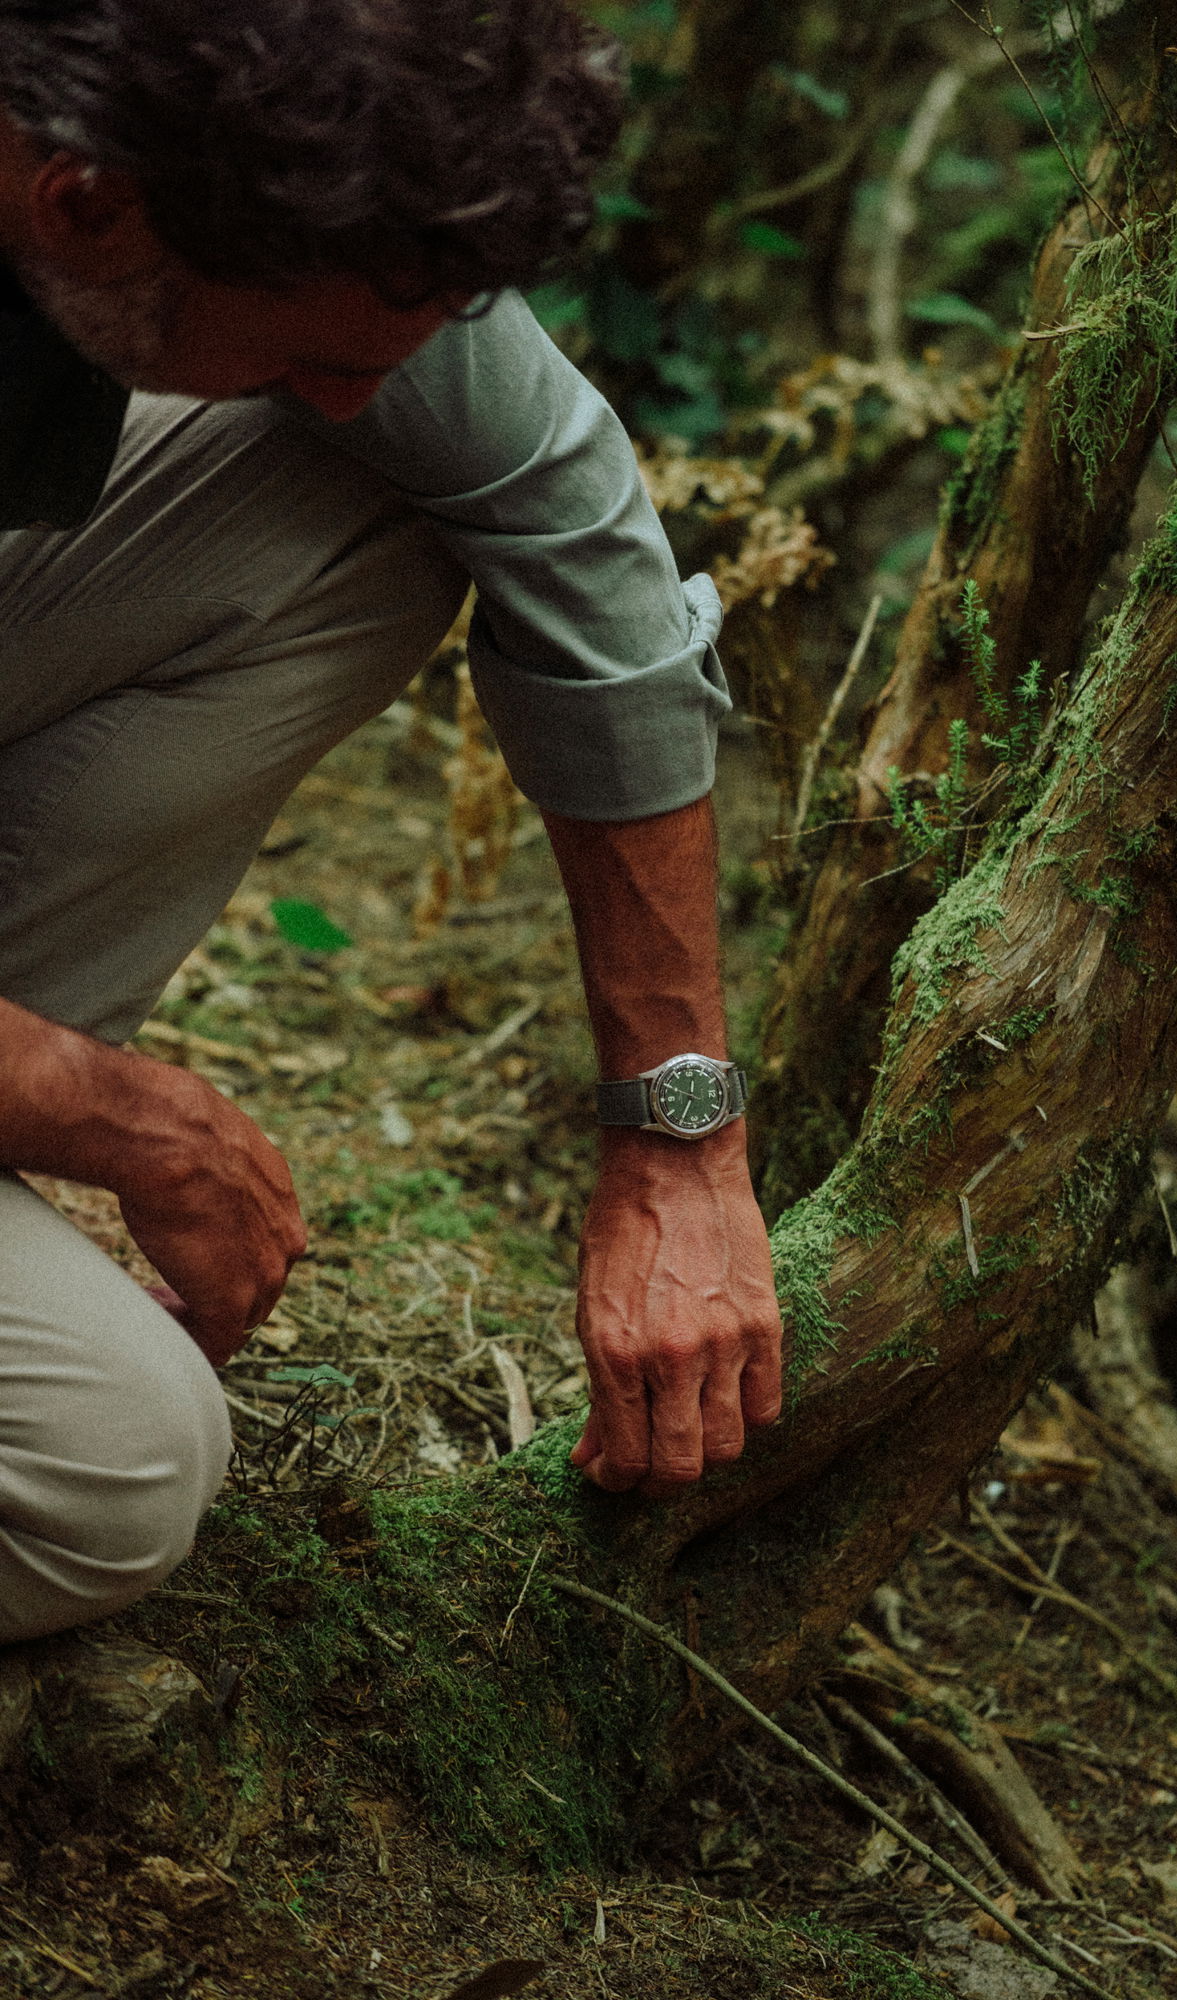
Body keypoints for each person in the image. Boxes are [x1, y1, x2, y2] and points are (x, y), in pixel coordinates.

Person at [0, 0, 783, 1647]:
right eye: (308, 353)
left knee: (371, 502)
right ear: (84, 202)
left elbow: (562, 506)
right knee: (106, 1464)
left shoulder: (237, 131)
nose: (352, 399)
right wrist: (115, 1114)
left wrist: (678, 1141)